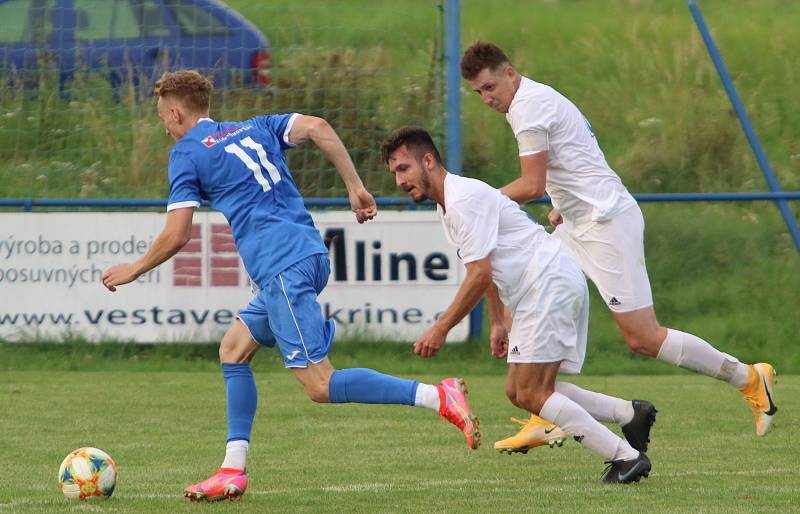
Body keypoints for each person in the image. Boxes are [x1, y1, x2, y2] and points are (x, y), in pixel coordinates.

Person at [101, 71, 480, 502]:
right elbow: (318, 127)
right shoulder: (253, 127)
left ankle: (437, 395)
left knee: (320, 385)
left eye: (162, 118)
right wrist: (355, 188)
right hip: (309, 256)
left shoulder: (186, 153)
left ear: (175, 112)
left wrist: (135, 268)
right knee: (233, 349)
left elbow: (177, 235)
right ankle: (232, 470)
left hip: (282, 268)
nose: (164, 127)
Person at [459, 41, 777, 445]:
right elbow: (572, 158)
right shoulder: (531, 99)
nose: (488, 98)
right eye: (479, 93)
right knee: (532, 281)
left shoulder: (527, 106)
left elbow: (530, 184)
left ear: (509, 73)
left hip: (606, 223)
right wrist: (562, 204)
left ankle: (749, 378)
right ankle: (544, 409)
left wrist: (480, 203)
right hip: (579, 222)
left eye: (490, 87)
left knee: (643, 338)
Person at [383, 125, 652, 484]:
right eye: (394, 173)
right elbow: (483, 265)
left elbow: (479, 275)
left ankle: (625, 457)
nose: (399, 180)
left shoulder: (462, 198)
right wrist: (497, 322)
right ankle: (627, 414)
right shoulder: (447, 206)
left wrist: (441, 327)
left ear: (427, 160)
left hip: (547, 282)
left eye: (404, 169)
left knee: (531, 391)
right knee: (520, 390)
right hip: (538, 288)